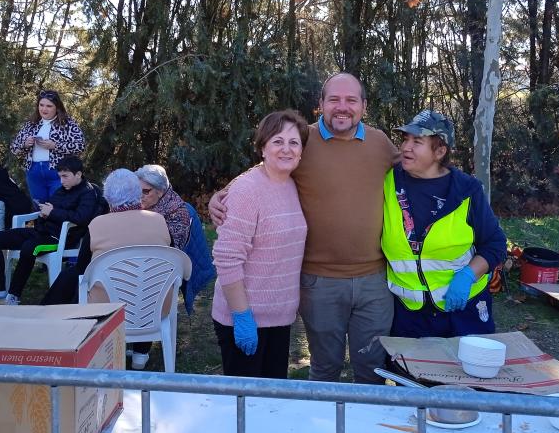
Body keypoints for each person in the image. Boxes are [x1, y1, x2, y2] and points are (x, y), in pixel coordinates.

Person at [210, 74, 398, 384]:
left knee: (373, 369)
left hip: (373, 280)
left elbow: (415, 170)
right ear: (320, 104)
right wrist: (224, 193)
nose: (342, 107)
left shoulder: (380, 143)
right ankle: (321, 418)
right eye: (334, 99)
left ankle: (366, 418)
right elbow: (266, 167)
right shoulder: (303, 138)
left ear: (364, 106)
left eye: (351, 100)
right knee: (324, 368)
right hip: (319, 282)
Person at [40, 168, 184, 371]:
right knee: (145, 280)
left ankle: (45, 327)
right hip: (154, 307)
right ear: (137, 194)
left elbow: (82, 270)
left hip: (108, 309)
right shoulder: (159, 221)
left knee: (73, 276)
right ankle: (140, 353)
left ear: (108, 198)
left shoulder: (97, 226)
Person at [383, 109, 507, 337]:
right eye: (405, 139)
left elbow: (495, 244)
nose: (406, 147)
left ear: (440, 151)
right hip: (409, 313)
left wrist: (468, 276)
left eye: (417, 141)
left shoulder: (466, 191)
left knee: (466, 361)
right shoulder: (389, 182)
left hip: (463, 309)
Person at [212, 110, 308, 378]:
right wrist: (242, 316)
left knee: (271, 398)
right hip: (245, 319)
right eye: (277, 141)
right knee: (246, 400)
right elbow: (227, 258)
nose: (286, 149)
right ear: (262, 148)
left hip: (279, 319)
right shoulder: (247, 190)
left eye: (294, 142)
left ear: (301, 151)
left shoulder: (291, 185)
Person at [0, 155, 99, 305]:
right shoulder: (62, 189)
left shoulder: (88, 193)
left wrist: (52, 212)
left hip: (59, 238)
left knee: (29, 247)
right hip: (40, 231)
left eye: (65, 176)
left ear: (78, 174)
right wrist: (43, 213)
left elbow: (81, 218)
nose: (62, 181)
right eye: (60, 176)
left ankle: (13, 296)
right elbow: (52, 209)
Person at [10, 89, 86, 204]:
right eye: (41, 105)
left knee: (57, 206)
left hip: (58, 171)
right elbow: (14, 148)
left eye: (49, 106)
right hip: (34, 172)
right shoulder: (31, 124)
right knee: (39, 207)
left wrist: (55, 145)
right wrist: (25, 144)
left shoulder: (68, 123)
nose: (44, 109)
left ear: (57, 107)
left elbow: (80, 146)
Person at [136, 164, 191, 248]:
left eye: (145, 191)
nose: (140, 195)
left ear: (160, 191)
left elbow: (172, 251)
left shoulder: (178, 213)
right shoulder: (141, 205)